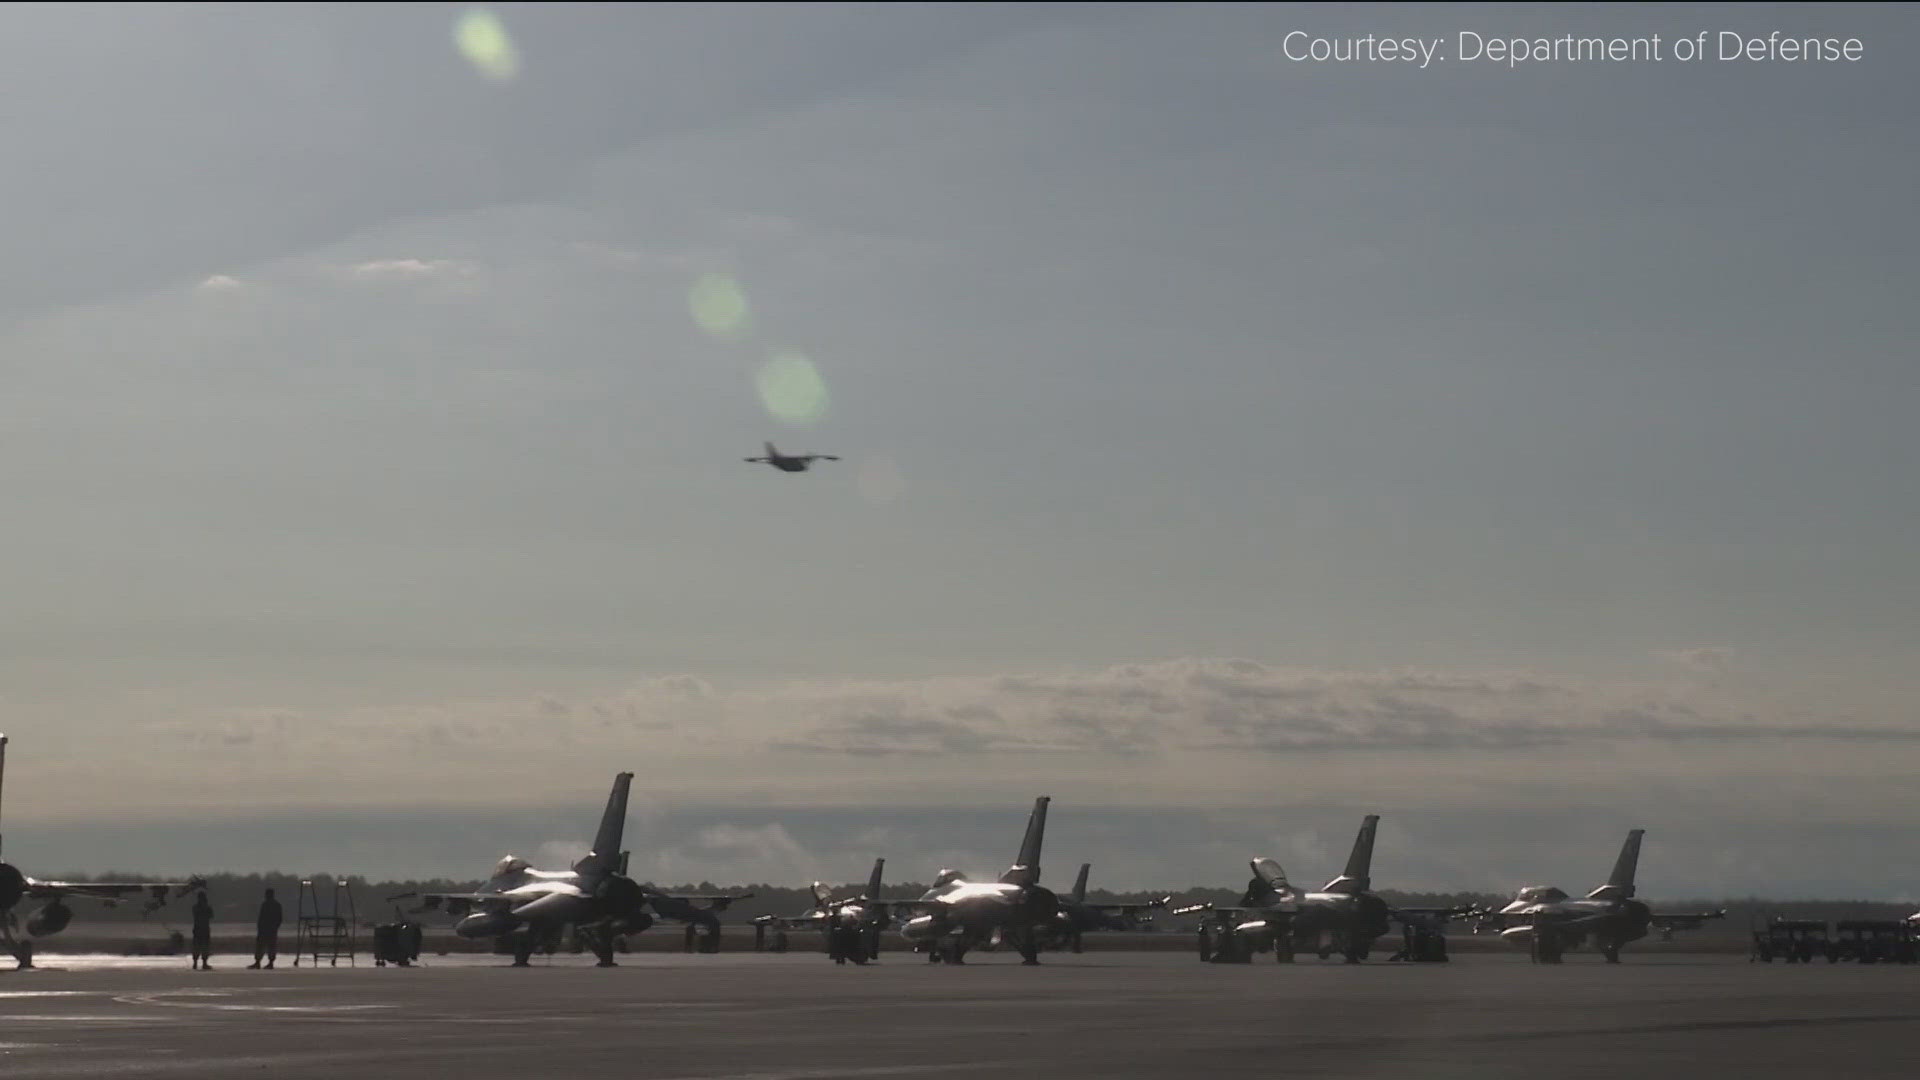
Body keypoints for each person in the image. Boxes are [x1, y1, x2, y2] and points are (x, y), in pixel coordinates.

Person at [248, 888, 282, 969]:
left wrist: (260, 927)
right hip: (271, 929)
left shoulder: (266, 904)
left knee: (262, 946)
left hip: (265, 929)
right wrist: (275, 927)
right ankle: (268, 962)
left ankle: (259, 962)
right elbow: (279, 918)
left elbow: (262, 917)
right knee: (271, 946)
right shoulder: (276, 905)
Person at [190, 890, 214, 971]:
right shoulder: (206, 907)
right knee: (204, 947)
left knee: (197, 947)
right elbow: (211, 915)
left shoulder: (195, 907)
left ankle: (195, 963)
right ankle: (203, 963)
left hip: (197, 929)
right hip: (204, 929)